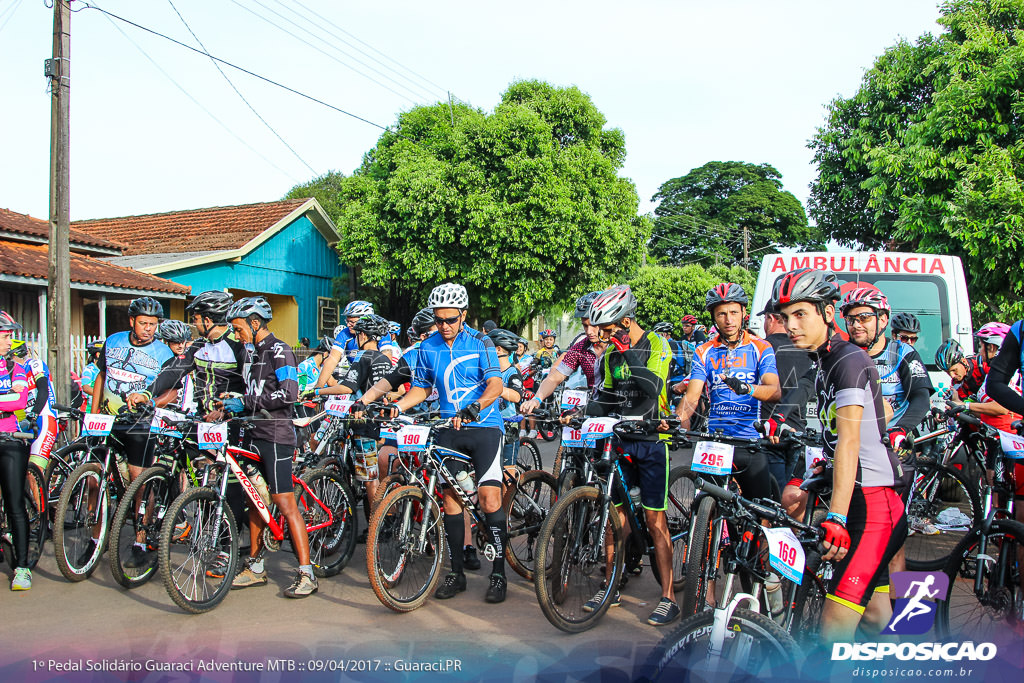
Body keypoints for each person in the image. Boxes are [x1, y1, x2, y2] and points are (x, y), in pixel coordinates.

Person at [769, 268, 907, 644]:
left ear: (829, 313)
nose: (791, 325)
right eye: (785, 317)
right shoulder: (822, 363)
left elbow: (849, 443)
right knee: (876, 617)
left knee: (834, 628)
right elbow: (839, 442)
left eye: (801, 314)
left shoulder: (847, 361)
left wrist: (836, 518)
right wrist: (824, 465)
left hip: (876, 505)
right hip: (864, 497)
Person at [389, 282, 509, 603]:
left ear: (464, 315)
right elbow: (421, 389)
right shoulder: (429, 346)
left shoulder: (481, 342)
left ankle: (498, 573)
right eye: (438, 319)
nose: (444, 326)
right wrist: (396, 406)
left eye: (450, 320)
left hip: (483, 426)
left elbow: (495, 385)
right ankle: (456, 573)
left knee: (489, 500)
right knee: (452, 502)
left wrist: (475, 406)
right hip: (448, 428)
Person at [582, 285, 679, 626]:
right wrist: (583, 410)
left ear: (625, 322)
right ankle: (610, 584)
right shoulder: (609, 355)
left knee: (655, 521)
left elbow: (653, 388)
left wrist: (628, 352)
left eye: (608, 330)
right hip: (621, 439)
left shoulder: (655, 344)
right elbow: (607, 396)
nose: (603, 337)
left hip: (652, 439)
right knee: (615, 516)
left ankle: (668, 596)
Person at [219, 296, 316, 598]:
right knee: (254, 501)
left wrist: (246, 402)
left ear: (255, 322)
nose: (237, 335)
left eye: (239, 329)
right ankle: (256, 567)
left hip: (276, 436)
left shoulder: (280, 351)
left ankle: (306, 573)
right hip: (252, 434)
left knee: (285, 503)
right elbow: (249, 390)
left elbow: (288, 394)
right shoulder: (249, 354)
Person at [675, 283, 781, 502]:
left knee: (761, 514)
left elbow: (774, 391)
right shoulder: (704, 351)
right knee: (704, 505)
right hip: (715, 441)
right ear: (714, 317)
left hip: (749, 440)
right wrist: (678, 421)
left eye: (734, 312)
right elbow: (693, 395)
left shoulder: (761, 347)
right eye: (721, 314)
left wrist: (748, 388)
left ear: (744, 312)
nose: (729, 319)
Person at [315, 314, 394, 511]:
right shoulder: (384, 359)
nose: (356, 338)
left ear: (365, 335)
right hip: (379, 420)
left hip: (362, 421)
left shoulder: (364, 357)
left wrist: (317, 391)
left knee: (369, 477)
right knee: (372, 472)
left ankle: (375, 523)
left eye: (358, 333)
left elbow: (347, 388)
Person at [756, 300, 814, 489]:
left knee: (771, 500)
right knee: (791, 498)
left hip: (770, 432)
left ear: (771, 319)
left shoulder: (761, 348)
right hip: (798, 431)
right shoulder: (806, 348)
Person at [521, 291, 604, 415]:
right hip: (594, 409)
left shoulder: (620, 345)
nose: (589, 331)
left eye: (593, 325)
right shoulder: (580, 348)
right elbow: (554, 378)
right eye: (585, 326)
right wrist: (537, 399)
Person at [0, 311, 34, 590]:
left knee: (14, 505)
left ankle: (22, 567)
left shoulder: (16, 367)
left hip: (12, 439)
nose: (9, 340)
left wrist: (7, 400)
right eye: (6, 335)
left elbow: (18, 400)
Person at [11, 341, 58, 473]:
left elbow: (43, 390)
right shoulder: (12, 373)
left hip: (44, 418)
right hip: (26, 422)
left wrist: (35, 412)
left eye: (9, 358)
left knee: (34, 472)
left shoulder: (34, 364)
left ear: (16, 355)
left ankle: (42, 493)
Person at [315, 300, 375, 388]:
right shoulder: (345, 333)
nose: (348, 325)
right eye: (347, 321)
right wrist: (318, 388)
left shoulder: (380, 334)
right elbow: (332, 360)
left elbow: (387, 359)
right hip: (356, 380)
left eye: (352, 322)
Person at [487, 328, 525, 467]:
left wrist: (497, 388)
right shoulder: (488, 372)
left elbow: (516, 396)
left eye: (488, 348)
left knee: (507, 471)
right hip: (490, 424)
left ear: (498, 350)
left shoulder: (512, 373)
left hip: (508, 425)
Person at [651, 321, 692, 407]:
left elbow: (671, 364)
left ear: (664, 334)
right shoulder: (666, 344)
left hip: (676, 378)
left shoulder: (671, 344)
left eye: (658, 334)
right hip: (673, 377)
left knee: (674, 401)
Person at [80, 340, 104, 413]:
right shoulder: (89, 370)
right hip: (88, 411)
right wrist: (102, 396)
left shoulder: (106, 370)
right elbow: (86, 388)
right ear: (98, 354)